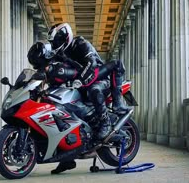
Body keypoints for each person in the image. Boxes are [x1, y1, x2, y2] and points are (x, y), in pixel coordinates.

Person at [46, 22, 131, 174]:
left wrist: (79, 80)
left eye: (57, 41)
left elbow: (91, 63)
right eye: (53, 42)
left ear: (65, 37)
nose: (55, 44)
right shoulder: (61, 53)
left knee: (94, 89)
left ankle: (105, 123)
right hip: (81, 84)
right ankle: (66, 159)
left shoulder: (81, 43)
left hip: (99, 78)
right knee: (59, 112)